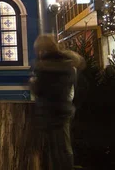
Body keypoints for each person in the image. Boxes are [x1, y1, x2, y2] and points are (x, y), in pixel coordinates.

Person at [30, 35, 84, 170]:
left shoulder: (45, 66)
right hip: (64, 110)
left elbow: (40, 89)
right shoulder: (67, 63)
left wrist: (33, 83)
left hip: (49, 112)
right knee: (63, 148)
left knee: (52, 151)